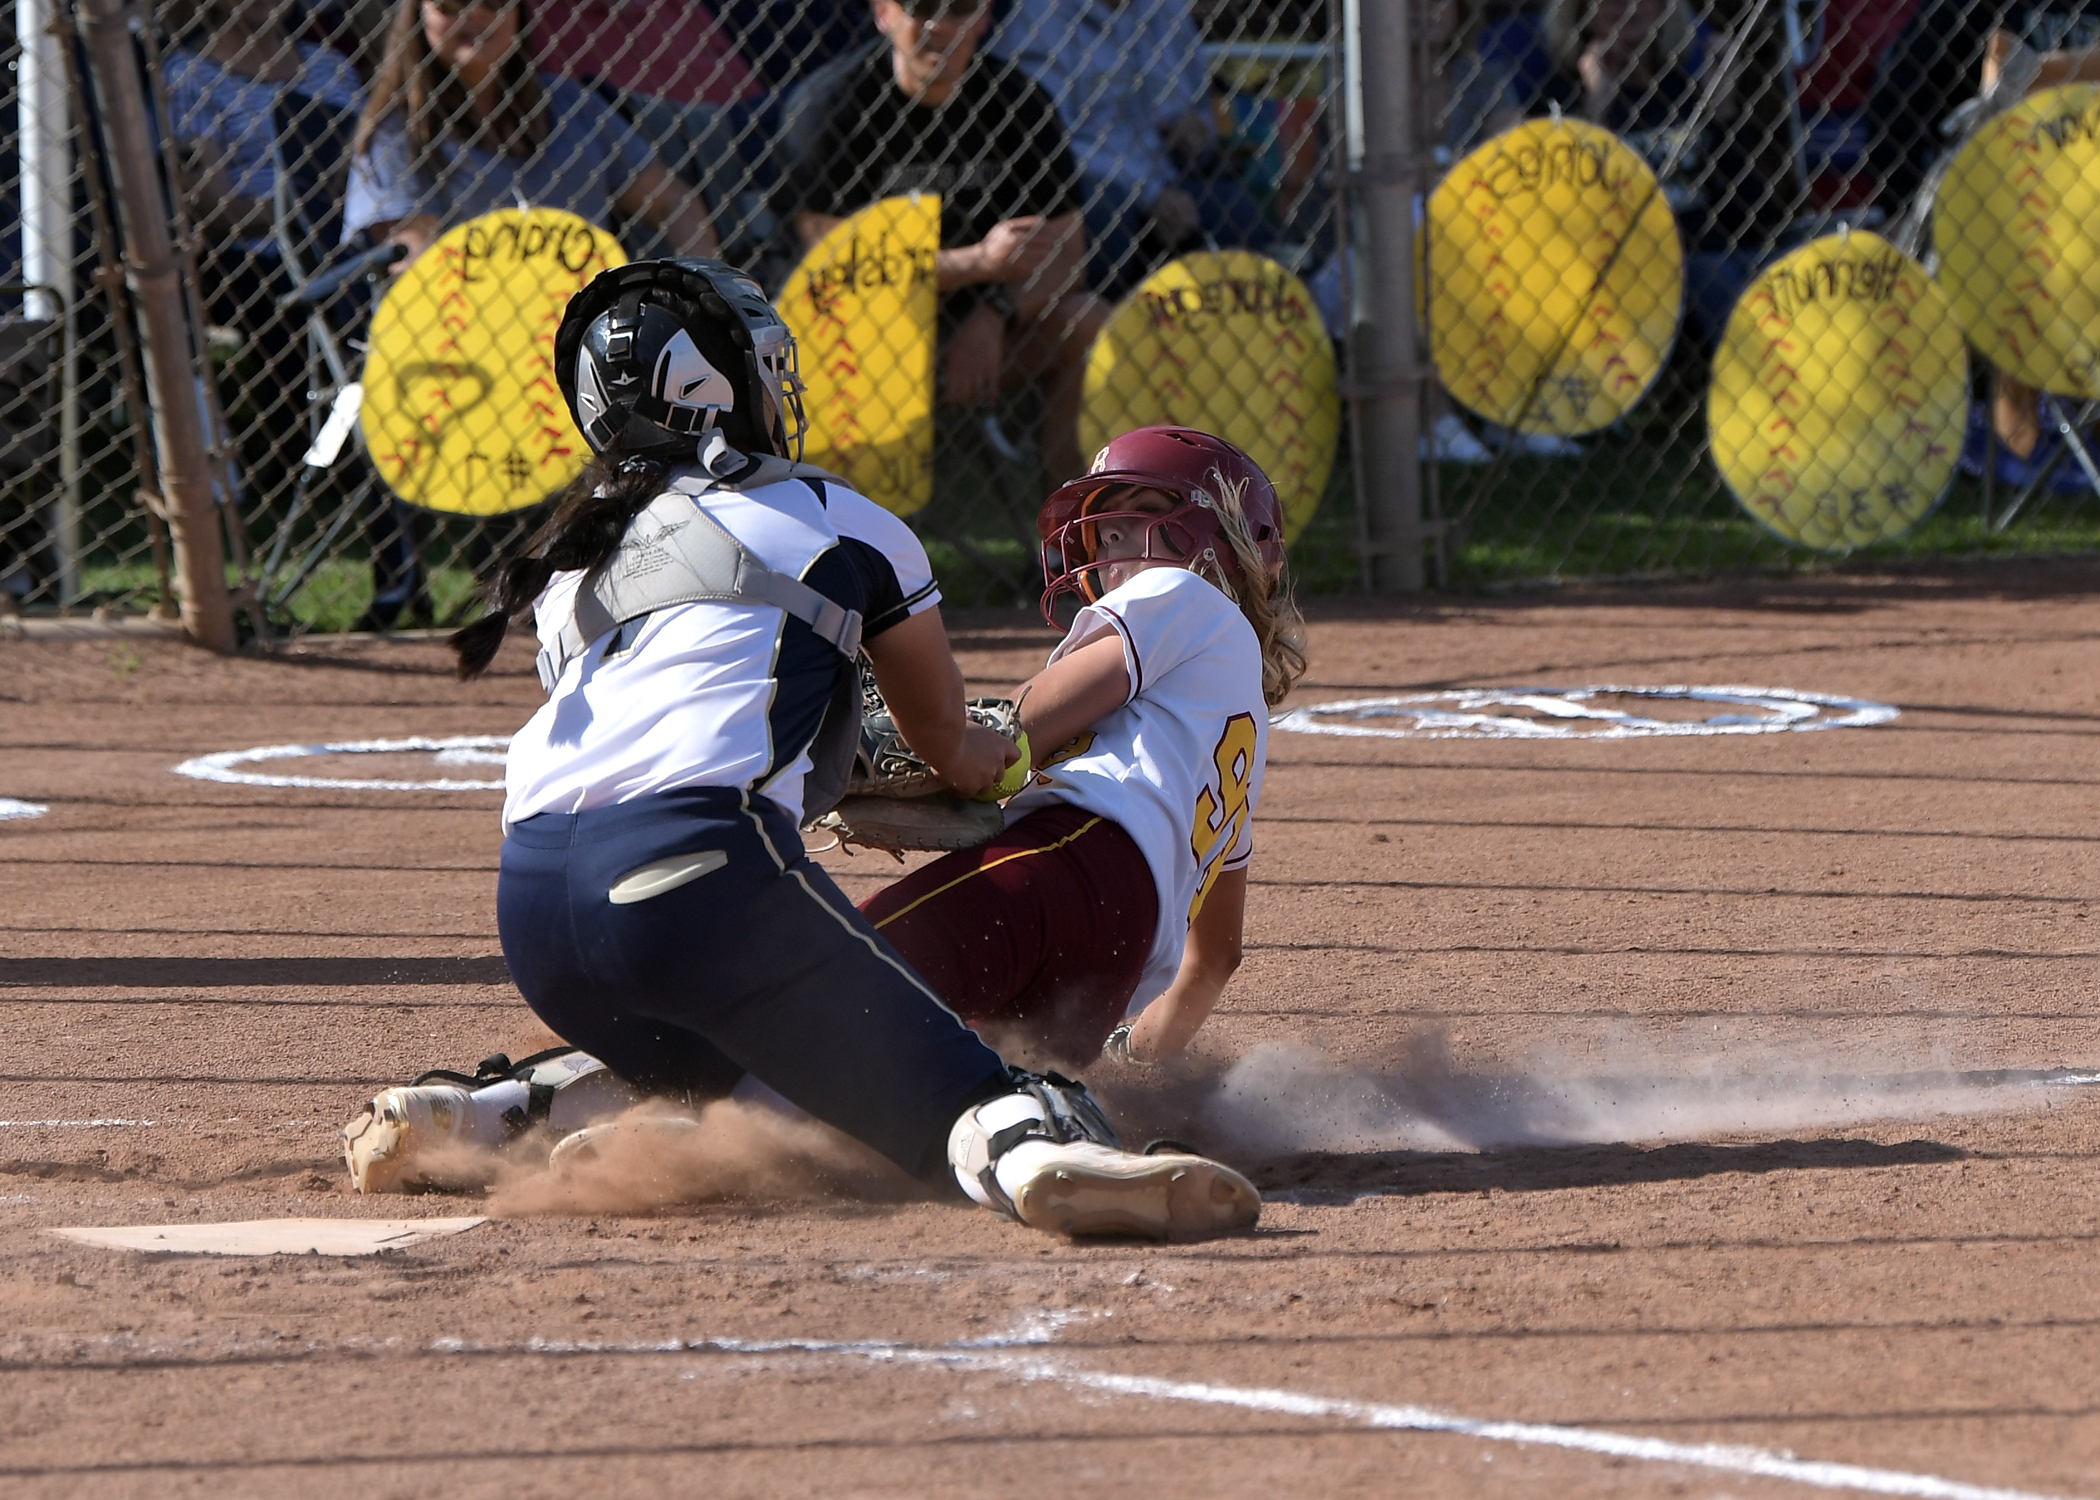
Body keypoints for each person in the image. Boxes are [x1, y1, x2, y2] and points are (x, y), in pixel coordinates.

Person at [338, 257, 1260, 1240]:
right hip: (701, 875)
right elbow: (958, 751)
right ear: (723, 388)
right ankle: (1033, 1151)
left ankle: (477, 1115)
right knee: (943, 1074)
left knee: (740, 1059)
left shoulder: (569, 570)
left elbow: (665, 735)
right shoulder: (839, 518)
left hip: (534, 913)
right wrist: (964, 766)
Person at [860, 426, 1305, 1071]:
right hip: (1120, 955)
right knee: (968, 1089)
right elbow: (1215, 958)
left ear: (1223, 541)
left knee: (837, 972)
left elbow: (1020, 728)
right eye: (1108, 530)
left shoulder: (1182, 592)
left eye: (1145, 517)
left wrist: (934, 741)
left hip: (1067, 864)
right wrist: (1138, 1066)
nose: (1117, 545)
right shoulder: (1231, 722)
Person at [783, 0, 1108, 478]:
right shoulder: (832, 104)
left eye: (959, 7)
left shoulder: (1018, 101)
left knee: (1088, 322)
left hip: (980, 333)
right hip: (859, 340)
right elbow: (833, 266)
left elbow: (1067, 254)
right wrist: (978, 262)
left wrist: (995, 311)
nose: (939, 24)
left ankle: (1070, 532)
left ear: (983, 18)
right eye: (921, 6)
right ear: (883, 14)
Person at [342, 0, 718, 266]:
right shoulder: (396, 135)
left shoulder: (570, 104)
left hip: (588, 334)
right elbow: (421, 271)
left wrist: (698, 288)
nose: (476, 13)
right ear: (417, 14)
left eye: (495, 1)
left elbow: (675, 203)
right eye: (453, 3)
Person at [986, 0, 1271, 297]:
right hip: (1088, 180)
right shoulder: (1039, 18)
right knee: (1102, 222)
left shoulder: (1168, 11)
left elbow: (1195, 104)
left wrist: (1195, 130)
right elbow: (1049, 141)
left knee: (1237, 215)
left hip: (1170, 176)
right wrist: (1149, 192)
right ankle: (1099, 335)